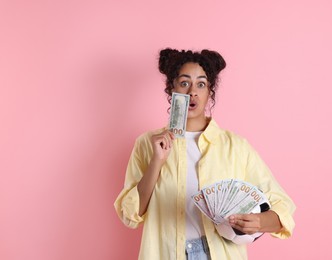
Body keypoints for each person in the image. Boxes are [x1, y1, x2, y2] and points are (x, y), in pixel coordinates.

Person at [114, 48, 296, 260]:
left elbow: (283, 206)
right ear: (172, 89)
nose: (192, 91)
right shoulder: (147, 144)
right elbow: (130, 215)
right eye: (184, 83)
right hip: (167, 253)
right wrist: (157, 161)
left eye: (201, 84)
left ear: (210, 92)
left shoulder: (235, 147)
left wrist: (260, 222)